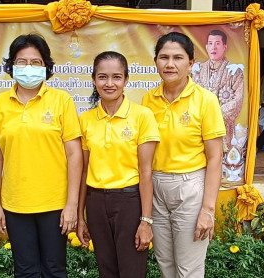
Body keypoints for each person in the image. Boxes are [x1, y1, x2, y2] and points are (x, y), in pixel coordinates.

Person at [0, 33, 82, 278]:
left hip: (54, 203)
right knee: (25, 270)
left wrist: (71, 205)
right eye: (21, 61)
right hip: (15, 204)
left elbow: (74, 154)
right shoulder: (0, 103)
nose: (29, 67)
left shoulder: (61, 100)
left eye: (36, 62)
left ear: (46, 66)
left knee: (54, 269)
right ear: (11, 66)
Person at [142, 32, 226, 278]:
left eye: (178, 58)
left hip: (190, 188)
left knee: (188, 269)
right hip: (156, 187)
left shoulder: (205, 100)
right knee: (165, 265)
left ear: (190, 63)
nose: (170, 64)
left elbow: (215, 158)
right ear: (155, 61)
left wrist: (208, 210)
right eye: (164, 57)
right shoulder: (148, 100)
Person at [77, 51, 159, 278]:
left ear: (126, 80)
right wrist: (80, 216)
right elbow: (84, 171)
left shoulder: (143, 116)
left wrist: (146, 221)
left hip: (130, 203)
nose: (109, 83)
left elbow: (146, 172)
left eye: (116, 77)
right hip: (96, 203)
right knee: (107, 271)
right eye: (102, 77)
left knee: (132, 271)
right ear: (94, 79)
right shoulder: (85, 120)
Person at [192, 29, 244, 150]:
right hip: (197, 126)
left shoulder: (234, 71)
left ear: (224, 46)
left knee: (221, 161)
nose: (213, 47)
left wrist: (213, 115)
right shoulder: (197, 70)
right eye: (210, 43)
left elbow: (238, 100)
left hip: (223, 128)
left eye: (217, 43)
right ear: (206, 47)